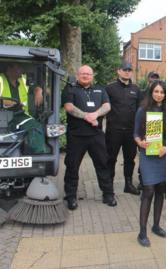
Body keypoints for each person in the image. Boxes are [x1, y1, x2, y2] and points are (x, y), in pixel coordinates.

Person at [62, 65, 117, 210]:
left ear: (92, 76)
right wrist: (86, 116)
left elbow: (107, 106)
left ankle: (108, 194)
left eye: (88, 74)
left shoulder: (100, 89)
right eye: (83, 73)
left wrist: (96, 114)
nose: (86, 76)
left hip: (96, 136)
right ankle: (71, 196)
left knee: (103, 164)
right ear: (78, 74)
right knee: (72, 166)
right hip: (76, 136)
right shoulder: (70, 89)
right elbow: (68, 107)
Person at [134, 80, 166, 247]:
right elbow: (136, 133)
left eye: (162, 92)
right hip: (148, 156)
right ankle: (142, 232)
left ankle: (156, 225)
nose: (159, 94)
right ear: (151, 92)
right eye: (156, 91)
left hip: (164, 155)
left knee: (161, 189)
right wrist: (140, 143)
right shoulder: (142, 110)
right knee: (148, 190)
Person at [105, 62, 141, 196]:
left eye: (129, 70)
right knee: (110, 158)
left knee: (130, 159)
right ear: (118, 71)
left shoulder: (136, 89)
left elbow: (140, 110)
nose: (127, 72)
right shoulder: (109, 88)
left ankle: (129, 184)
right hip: (114, 131)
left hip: (131, 131)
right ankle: (108, 187)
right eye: (125, 69)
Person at [0, 63, 47, 154]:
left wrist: (39, 90)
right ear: (9, 68)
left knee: (38, 125)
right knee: (35, 127)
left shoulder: (23, 79)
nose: (22, 70)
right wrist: (11, 102)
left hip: (20, 115)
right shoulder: (0, 79)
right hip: (4, 116)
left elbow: (40, 87)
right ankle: (39, 156)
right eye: (19, 67)